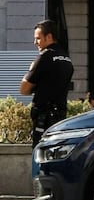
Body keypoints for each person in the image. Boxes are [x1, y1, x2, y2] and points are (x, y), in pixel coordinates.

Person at [20, 19, 74, 148]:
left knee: (40, 155)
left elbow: (24, 89)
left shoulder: (44, 57)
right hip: (60, 117)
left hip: (43, 119)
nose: (35, 43)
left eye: (38, 39)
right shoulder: (66, 59)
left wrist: (34, 81)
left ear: (48, 37)